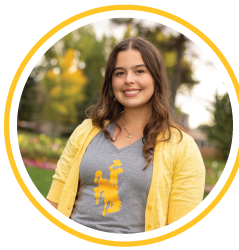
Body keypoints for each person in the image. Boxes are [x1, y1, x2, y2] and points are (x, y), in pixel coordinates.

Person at [46, 37, 205, 234]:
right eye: (120, 73)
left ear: (155, 77)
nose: (128, 79)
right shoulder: (86, 131)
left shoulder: (182, 147)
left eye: (139, 71)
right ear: (111, 81)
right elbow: (53, 202)